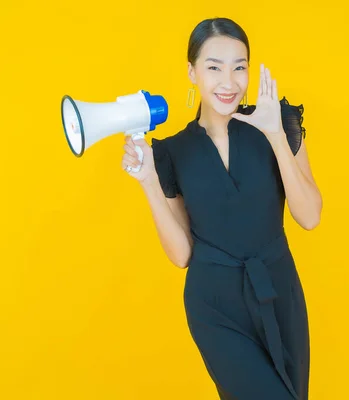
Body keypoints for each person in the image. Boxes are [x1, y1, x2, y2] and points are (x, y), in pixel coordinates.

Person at [121, 17, 322, 400]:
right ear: (192, 72)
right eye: (213, 67)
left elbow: (309, 216)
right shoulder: (172, 152)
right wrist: (147, 179)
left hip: (280, 293)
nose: (228, 81)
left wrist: (275, 134)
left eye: (239, 67)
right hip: (215, 306)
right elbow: (181, 255)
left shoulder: (277, 122)